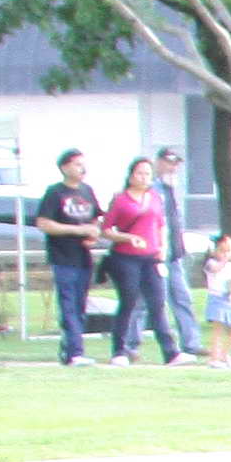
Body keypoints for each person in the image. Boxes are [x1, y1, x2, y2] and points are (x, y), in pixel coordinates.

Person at [101, 157, 181, 364]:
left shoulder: (155, 197)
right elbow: (107, 230)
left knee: (157, 303)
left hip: (151, 258)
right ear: (131, 176)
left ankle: (170, 351)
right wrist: (128, 238)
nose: (144, 177)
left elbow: (161, 224)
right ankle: (119, 350)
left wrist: (162, 248)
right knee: (129, 301)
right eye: (140, 173)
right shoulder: (121, 200)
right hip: (126, 258)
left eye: (147, 173)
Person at [37, 149, 105, 365]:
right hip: (63, 257)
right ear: (65, 167)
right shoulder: (55, 193)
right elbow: (44, 223)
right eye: (77, 164)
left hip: (83, 257)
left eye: (83, 164)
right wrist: (77, 231)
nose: (82, 169)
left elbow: (96, 219)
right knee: (68, 304)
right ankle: (75, 352)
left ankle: (69, 351)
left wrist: (93, 233)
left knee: (80, 305)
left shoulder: (87, 191)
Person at [197, 236, 231, 366]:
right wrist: (226, 260)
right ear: (214, 251)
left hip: (228, 298)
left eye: (229, 251)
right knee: (218, 330)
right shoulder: (211, 263)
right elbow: (215, 270)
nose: (226, 254)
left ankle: (224, 354)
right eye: (222, 251)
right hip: (216, 298)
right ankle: (214, 359)